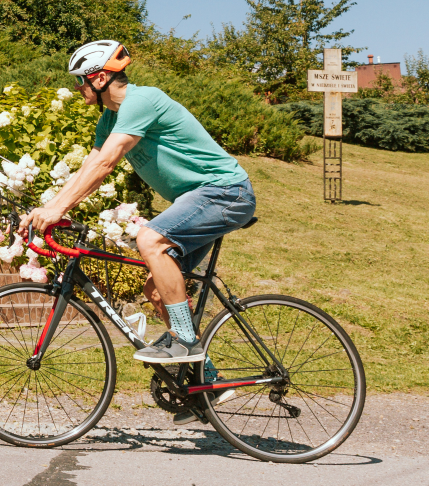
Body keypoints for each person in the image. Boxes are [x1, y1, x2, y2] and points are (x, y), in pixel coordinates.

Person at [21, 39, 256, 374]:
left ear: (99, 79)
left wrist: (57, 210)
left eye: (79, 80)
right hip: (202, 198)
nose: (77, 87)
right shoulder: (109, 119)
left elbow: (107, 164)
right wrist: (49, 207)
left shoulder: (143, 100)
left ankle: (185, 342)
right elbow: (91, 168)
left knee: (149, 240)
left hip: (226, 191)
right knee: (156, 290)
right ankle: (206, 381)